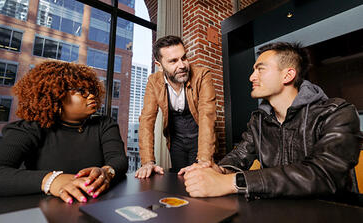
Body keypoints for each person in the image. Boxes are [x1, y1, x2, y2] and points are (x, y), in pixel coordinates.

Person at [183, 42, 362, 199]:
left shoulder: (337, 112)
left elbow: (325, 175)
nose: (251, 77)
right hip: (278, 211)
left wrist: (231, 182)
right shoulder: (259, 119)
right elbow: (239, 156)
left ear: (287, 75)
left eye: (260, 69)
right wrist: (218, 170)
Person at [0, 61, 128, 203]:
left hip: (95, 207)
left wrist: (107, 172)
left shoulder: (104, 123)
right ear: (56, 95)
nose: (92, 95)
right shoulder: (30, 128)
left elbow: (118, 159)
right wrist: (52, 180)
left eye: (92, 90)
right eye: (81, 91)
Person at [135, 35, 217, 178]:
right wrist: (148, 162)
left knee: (199, 178)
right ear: (159, 65)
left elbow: (207, 116)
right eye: (173, 61)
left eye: (183, 58)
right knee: (178, 182)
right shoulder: (153, 82)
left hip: (200, 139)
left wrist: (204, 159)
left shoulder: (202, 75)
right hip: (176, 141)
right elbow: (146, 120)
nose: (182, 65)